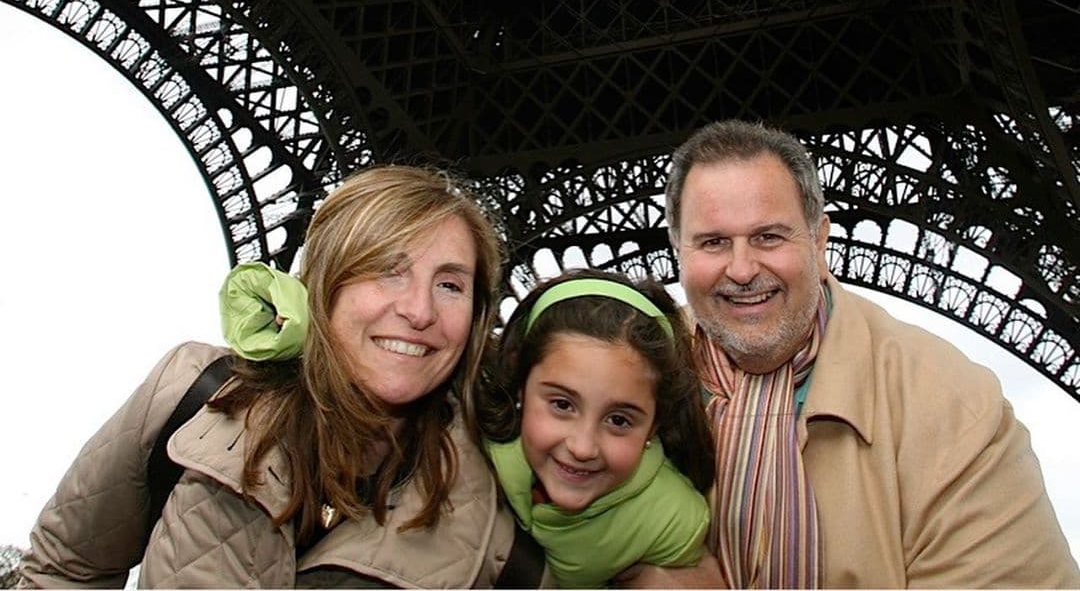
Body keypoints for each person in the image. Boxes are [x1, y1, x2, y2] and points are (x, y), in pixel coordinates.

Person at [20, 165, 549, 589]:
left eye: (451, 285)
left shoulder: (504, 530)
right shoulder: (193, 394)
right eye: (388, 268)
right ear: (324, 284)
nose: (419, 310)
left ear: (478, 316)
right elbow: (64, 569)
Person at [626, 119, 1080, 589]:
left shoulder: (954, 405)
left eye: (768, 237)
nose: (741, 269)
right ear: (677, 248)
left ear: (820, 240)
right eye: (714, 242)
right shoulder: (616, 377)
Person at [479, 269, 713, 588]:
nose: (583, 447)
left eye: (618, 420)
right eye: (562, 405)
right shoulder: (468, 451)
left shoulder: (675, 521)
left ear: (654, 425)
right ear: (520, 382)